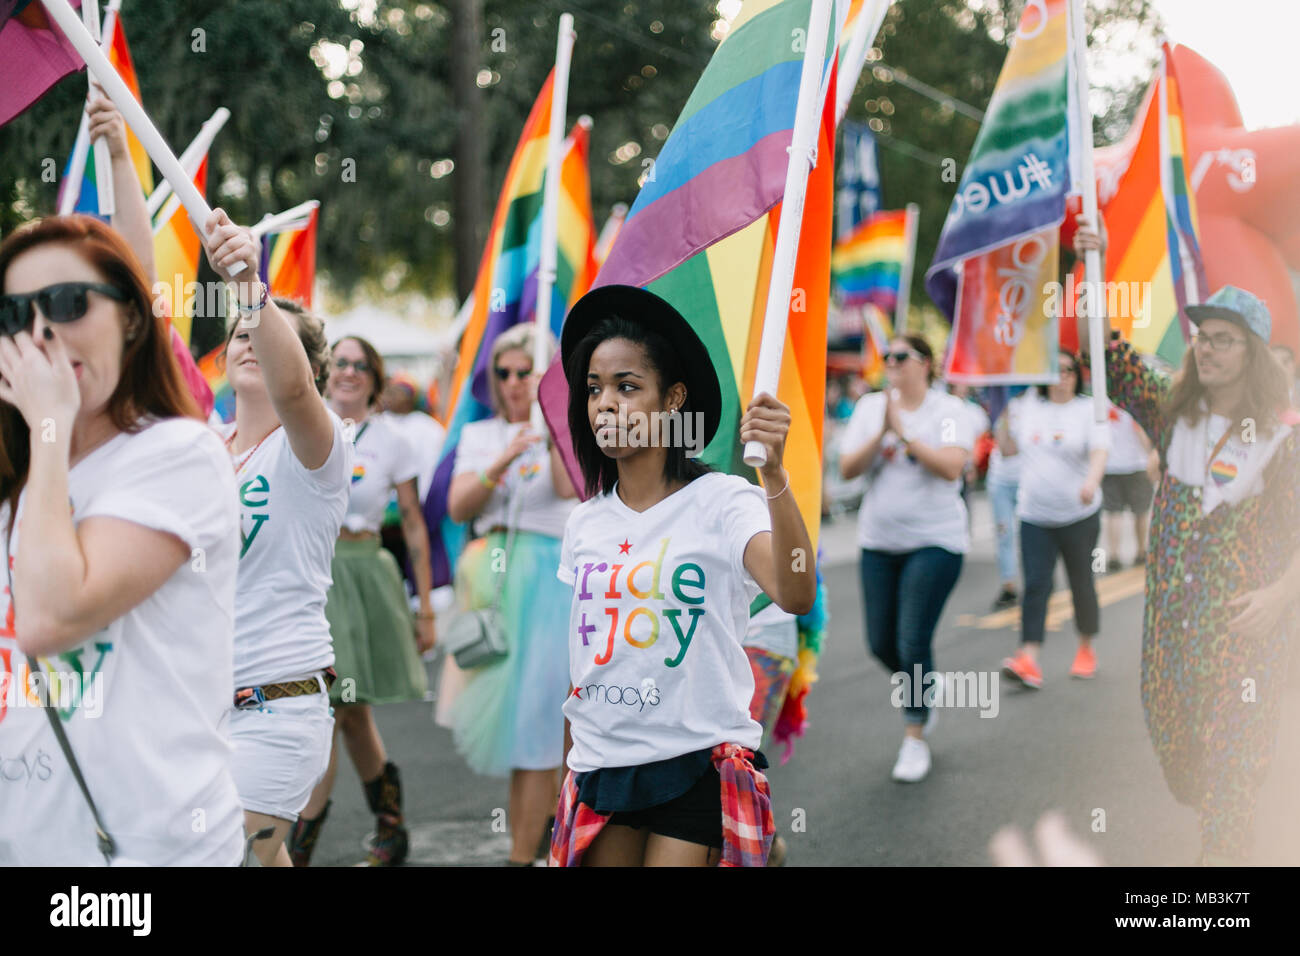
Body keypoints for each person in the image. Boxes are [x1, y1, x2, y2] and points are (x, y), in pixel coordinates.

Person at [0, 215, 243, 865]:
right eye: (13, 313)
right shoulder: (19, 479)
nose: (41, 331)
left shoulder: (179, 455)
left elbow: (51, 618)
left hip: (148, 850)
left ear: (132, 319)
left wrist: (48, 428)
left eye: (67, 303)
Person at [549, 285, 816, 867]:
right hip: (602, 768)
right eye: (594, 389)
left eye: (627, 386)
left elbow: (796, 591)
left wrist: (775, 474)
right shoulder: (584, 524)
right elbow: (585, 667)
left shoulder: (723, 501)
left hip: (697, 762)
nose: (605, 405)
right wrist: (567, 774)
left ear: (672, 400)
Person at [1078, 215, 1300, 865]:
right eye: (1202, 336)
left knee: (1232, 770)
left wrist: (1279, 598)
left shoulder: (1282, 442)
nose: (1207, 348)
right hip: (1171, 630)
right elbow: (1105, 354)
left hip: (1244, 630)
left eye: (1225, 340)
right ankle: (1220, 823)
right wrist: (1087, 264)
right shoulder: (1172, 414)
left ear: (1252, 353)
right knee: (1184, 758)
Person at [206, 215, 353, 867]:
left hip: (278, 701)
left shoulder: (316, 452)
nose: (247, 340)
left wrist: (248, 287)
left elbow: (291, 388)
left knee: (230, 853)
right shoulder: (200, 449)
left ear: (313, 367)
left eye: (261, 335)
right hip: (193, 704)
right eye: (238, 333)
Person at [289, 335, 436, 867]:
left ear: (375, 378)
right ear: (326, 372)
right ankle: (390, 829)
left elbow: (415, 526)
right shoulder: (303, 423)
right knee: (342, 710)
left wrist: (425, 608)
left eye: (360, 365)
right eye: (340, 363)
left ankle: (299, 847)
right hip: (312, 574)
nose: (348, 372)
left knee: (335, 707)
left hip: (365, 574)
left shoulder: (394, 439)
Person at [445, 322, 578, 865]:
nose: (515, 382)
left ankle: (531, 850)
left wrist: (551, 428)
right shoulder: (481, 435)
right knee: (522, 728)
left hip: (550, 580)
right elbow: (457, 507)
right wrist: (502, 460)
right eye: (504, 373)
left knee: (548, 726)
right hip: (496, 578)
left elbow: (570, 488)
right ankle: (529, 848)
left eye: (527, 372)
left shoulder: (564, 426)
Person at [837, 334, 974, 783]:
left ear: (926, 364)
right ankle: (926, 687)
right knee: (881, 643)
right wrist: (882, 431)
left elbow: (953, 466)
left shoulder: (950, 411)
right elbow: (847, 469)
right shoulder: (870, 407)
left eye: (902, 357)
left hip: (936, 542)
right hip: (879, 541)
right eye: (888, 357)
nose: (892, 363)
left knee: (912, 639)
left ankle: (915, 736)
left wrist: (905, 435)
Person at [997, 349, 1109, 689]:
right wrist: (999, 413)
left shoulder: (1088, 410)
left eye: (1069, 371)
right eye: (1055, 370)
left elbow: (1099, 450)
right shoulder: (1027, 407)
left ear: (1078, 376)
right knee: (1036, 586)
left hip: (1079, 514)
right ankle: (1028, 656)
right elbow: (1007, 449)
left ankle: (1086, 648)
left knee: (1081, 583)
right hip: (1034, 515)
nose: (1062, 377)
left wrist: (1091, 481)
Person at [1100, 402, 1156, 571]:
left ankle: (1114, 555)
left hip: (1110, 465)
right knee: (1140, 511)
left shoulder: (1103, 403)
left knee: (1113, 512)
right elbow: (1144, 437)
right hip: (1137, 465)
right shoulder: (1136, 405)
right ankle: (1141, 551)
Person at [987, 391, 1028, 610]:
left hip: (1026, 480)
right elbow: (1003, 450)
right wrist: (1003, 415)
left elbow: (1011, 449)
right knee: (1004, 533)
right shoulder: (1000, 405)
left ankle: (1037, 581)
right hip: (1000, 481)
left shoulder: (1033, 405)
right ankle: (1009, 585)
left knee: (1029, 536)